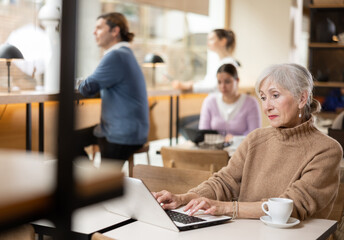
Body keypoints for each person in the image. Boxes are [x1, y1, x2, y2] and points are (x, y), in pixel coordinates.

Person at [154, 63, 342, 221]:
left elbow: (290, 207)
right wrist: (183, 198)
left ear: (302, 98)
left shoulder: (326, 150)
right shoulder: (255, 139)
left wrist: (226, 208)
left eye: (275, 95)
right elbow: (224, 182)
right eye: (263, 97)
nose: (267, 106)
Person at [76, 12, 149, 162]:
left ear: (115, 31)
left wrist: (77, 81)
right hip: (132, 131)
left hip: (121, 134)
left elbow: (87, 88)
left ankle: (95, 181)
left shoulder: (115, 55)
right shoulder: (125, 54)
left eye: (99, 28)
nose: (93, 32)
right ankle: (93, 179)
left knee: (66, 140)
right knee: (69, 139)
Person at [172, 29, 239, 139]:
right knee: (183, 122)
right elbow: (209, 82)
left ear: (223, 41)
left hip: (221, 113)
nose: (208, 43)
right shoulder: (219, 63)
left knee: (185, 125)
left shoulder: (228, 64)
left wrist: (189, 86)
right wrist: (191, 83)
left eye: (212, 39)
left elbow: (213, 85)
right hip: (215, 109)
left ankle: (201, 149)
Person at [199, 63, 261, 136]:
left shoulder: (251, 103)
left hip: (241, 146)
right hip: (215, 146)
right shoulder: (209, 101)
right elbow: (203, 133)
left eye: (227, 81)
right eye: (219, 82)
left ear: (237, 81)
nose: (223, 86)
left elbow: (255, 136)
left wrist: (235, 140)